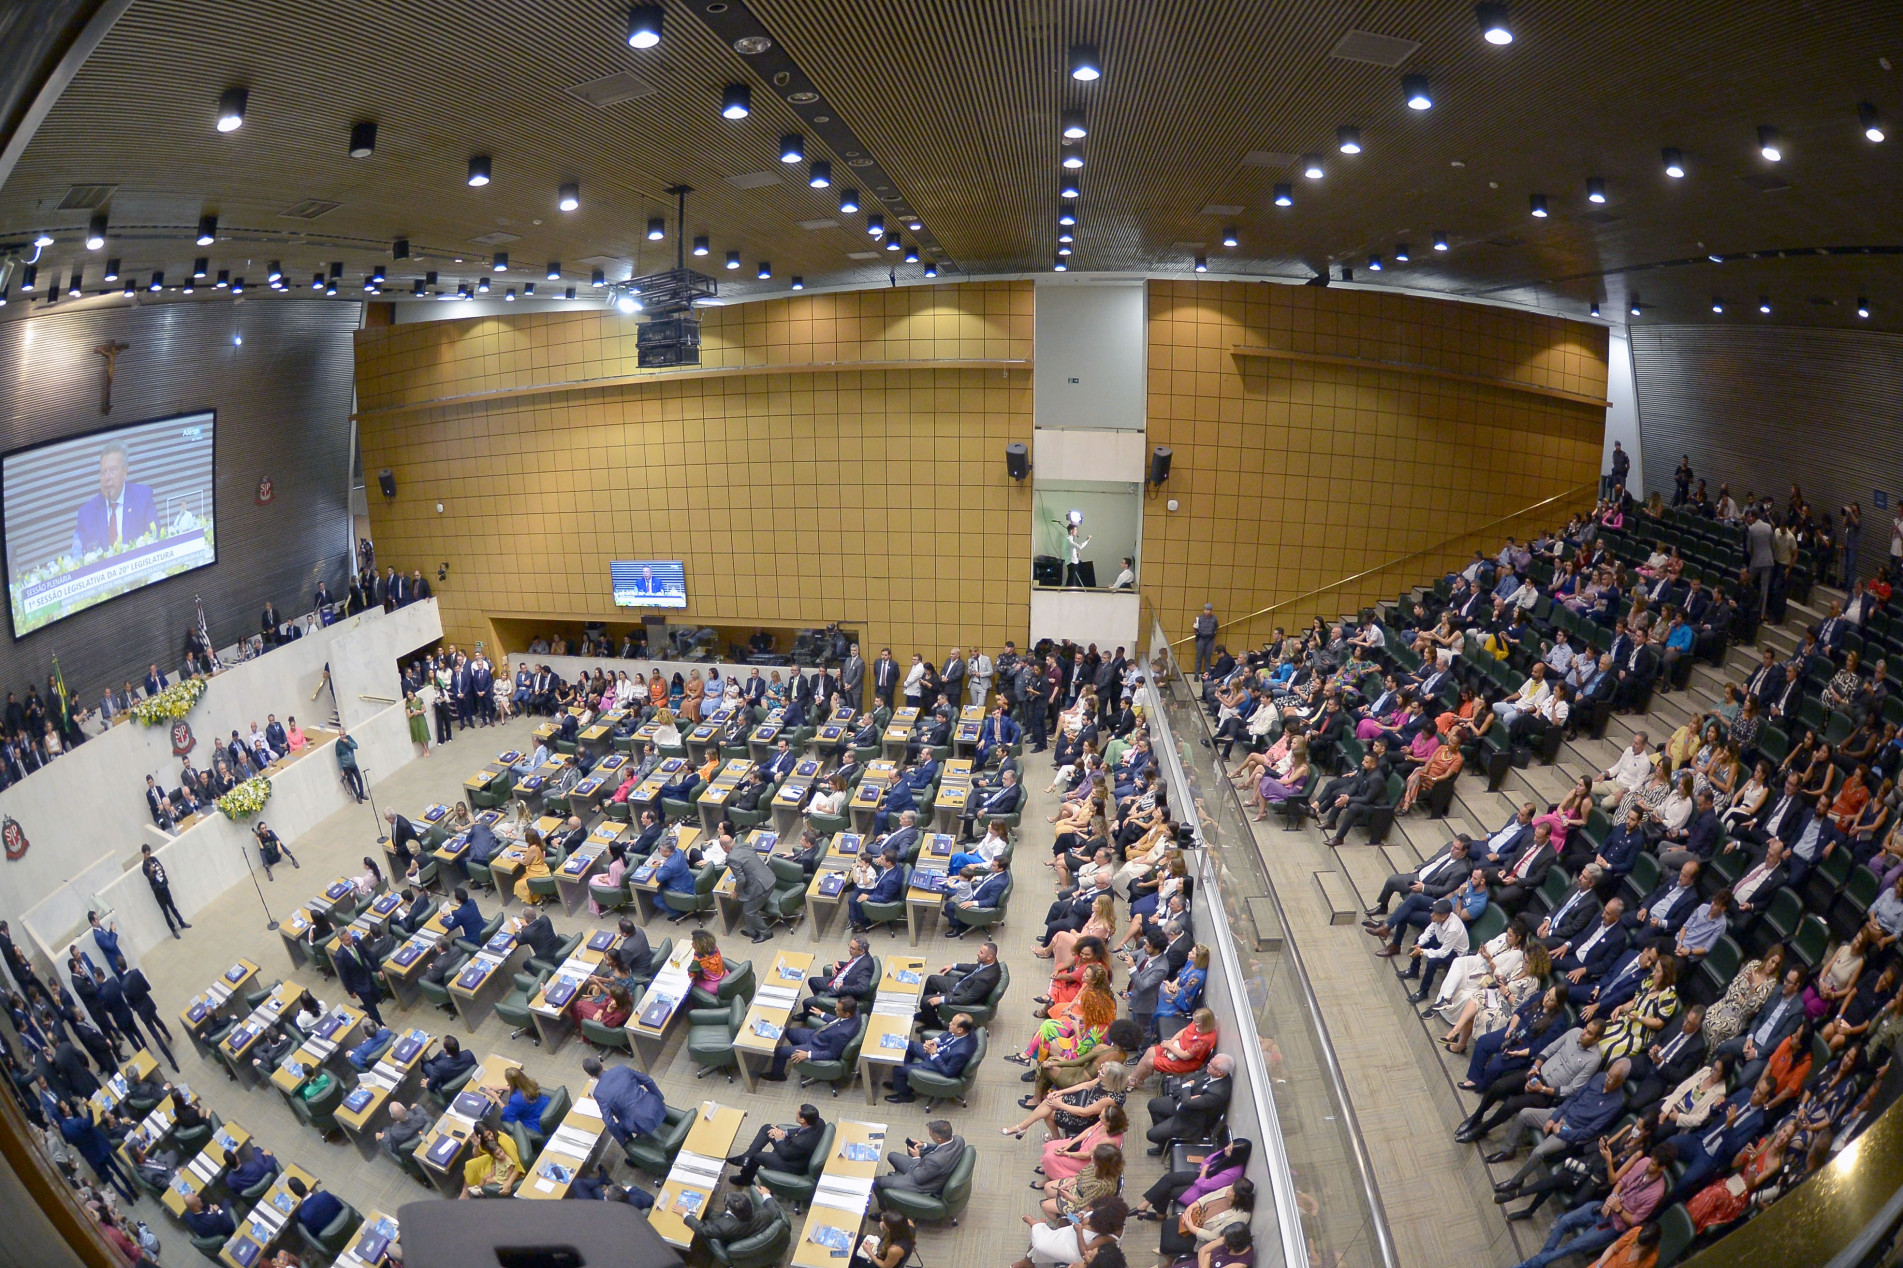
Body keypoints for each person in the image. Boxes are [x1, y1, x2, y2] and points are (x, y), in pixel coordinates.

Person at [71, 442, 157, 556]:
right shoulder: (86, 514)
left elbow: (156, 540)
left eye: (112, 471)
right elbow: (78, 556)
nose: (107, 478)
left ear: (125, 471)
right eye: (103, 472)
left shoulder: (143, 497)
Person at [885, 1012, 978, 1103]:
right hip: (936, 1050)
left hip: (939, 1062)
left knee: (898, 1069)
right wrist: (933, 1041)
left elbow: (948, 1073)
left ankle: (905, 1096)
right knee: (907, 1044)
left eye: (952, 1024)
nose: (949, 1023)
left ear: (960, 1030)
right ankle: (903, 1083)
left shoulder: (961, 1052)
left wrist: (934, 1054)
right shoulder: (966, 1031)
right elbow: (948, 1034)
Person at [727, 1102, 826, 1186]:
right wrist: (783, 1133)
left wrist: (779, 1139)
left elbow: (785, 1154)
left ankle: (745, 1179)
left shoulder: (800, 1143)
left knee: (756, 1156)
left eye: (797, 1114)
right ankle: (745, 1157)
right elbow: (800, 1130)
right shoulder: (819, 1121)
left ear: (802, 1120)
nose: (795, 1114)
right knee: (767, 1128)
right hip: (795, 1150)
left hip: (792, 1164)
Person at [583, 1055, 665, 1146]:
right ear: (601, 1063)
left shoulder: (598, 1093)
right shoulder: (621, 1069)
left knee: (618, 1127)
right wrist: (659, 1099)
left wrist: (622, 1140)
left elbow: (609, 1123)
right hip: (655, 1105)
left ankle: (630, 1147)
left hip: (640, 1122)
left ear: (590, 1075)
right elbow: (648, 1080)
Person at [876, 1119, 965, 1196]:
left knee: (876, 1181)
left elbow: (918, 1178)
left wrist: (916, 1157)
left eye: (931, 1136)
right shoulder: (959, 1140)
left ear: (939, 1140)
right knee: (892, 1156)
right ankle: (899, 1179)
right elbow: (941, 1147)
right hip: (927, 1168)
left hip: (923, 1183)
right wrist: (924, 1145)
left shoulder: (935, 1161)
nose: (930, 1136)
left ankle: (883, 1208)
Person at [138, 845, 188, 938]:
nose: (149, 855)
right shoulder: (144, 867)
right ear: (144, 853)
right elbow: (150, 878)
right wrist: (151, 872)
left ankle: (181, 922)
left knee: (172, 906)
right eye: (147, 854)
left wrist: (161, 869)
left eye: (149, 853)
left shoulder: (154, 859)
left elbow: (162, 870)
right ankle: (173, 930)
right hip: (158, 891)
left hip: (164, 886)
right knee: (165, 911)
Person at [334, 725, 365, 801]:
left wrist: (348, 743)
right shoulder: (338, 744)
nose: (342, 736)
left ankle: (362, 794)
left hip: (353, 764)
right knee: (352, 782)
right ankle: (357, 796)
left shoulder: (349, 738)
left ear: (345, 734)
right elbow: (338, 757)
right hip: (346, 766)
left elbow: (356, 746)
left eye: (343, 734)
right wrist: (341, 769)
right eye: (341, 735)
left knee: (359, 778)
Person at [1194, 604, 1219, 677]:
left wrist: (1213, 634)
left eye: (1208, 610)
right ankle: (1196, 674)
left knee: (1208, 657)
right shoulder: (1199, 618)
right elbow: (1195, 627)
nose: (1206, 611)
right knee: (1199, 657)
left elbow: (1216, 627)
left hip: (1210, 639)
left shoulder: (1214, 619)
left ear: (1211, 611)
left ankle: (1206, 674)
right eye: (1205, 609)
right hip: (1201, 638)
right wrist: (1197, 635)